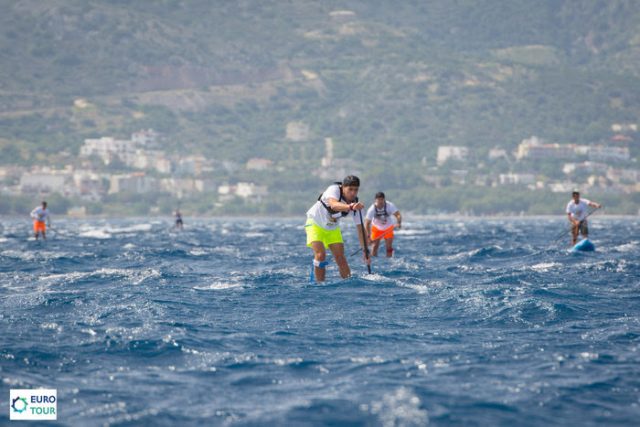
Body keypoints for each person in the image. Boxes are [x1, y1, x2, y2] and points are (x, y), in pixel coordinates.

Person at [305, 175, 370, 282]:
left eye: (356, 190)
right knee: (321, 255)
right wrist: (350, 207)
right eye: (350, 189)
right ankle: (319, 285)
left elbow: (360, 229)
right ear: (343, 187)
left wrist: (365, 250)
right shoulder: (334, 189)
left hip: (332, 228)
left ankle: (349, 284)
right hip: (315, 223)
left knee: (341, 258)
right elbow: (333, 205)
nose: (353, 193)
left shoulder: (356, 205)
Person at [364, 192, 402, 257]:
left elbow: (398, 214)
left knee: (389, 247)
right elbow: (367, 223)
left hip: (388, 228)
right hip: (376, 228)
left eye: (382, 199)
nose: (380, 201)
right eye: (378, 199)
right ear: (375, 200)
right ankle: (374, 261)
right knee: (375, 246)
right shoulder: (372, 209)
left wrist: (399, 222)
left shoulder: (390, 205)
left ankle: (389, 260)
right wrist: (368, 237)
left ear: (384, 199)